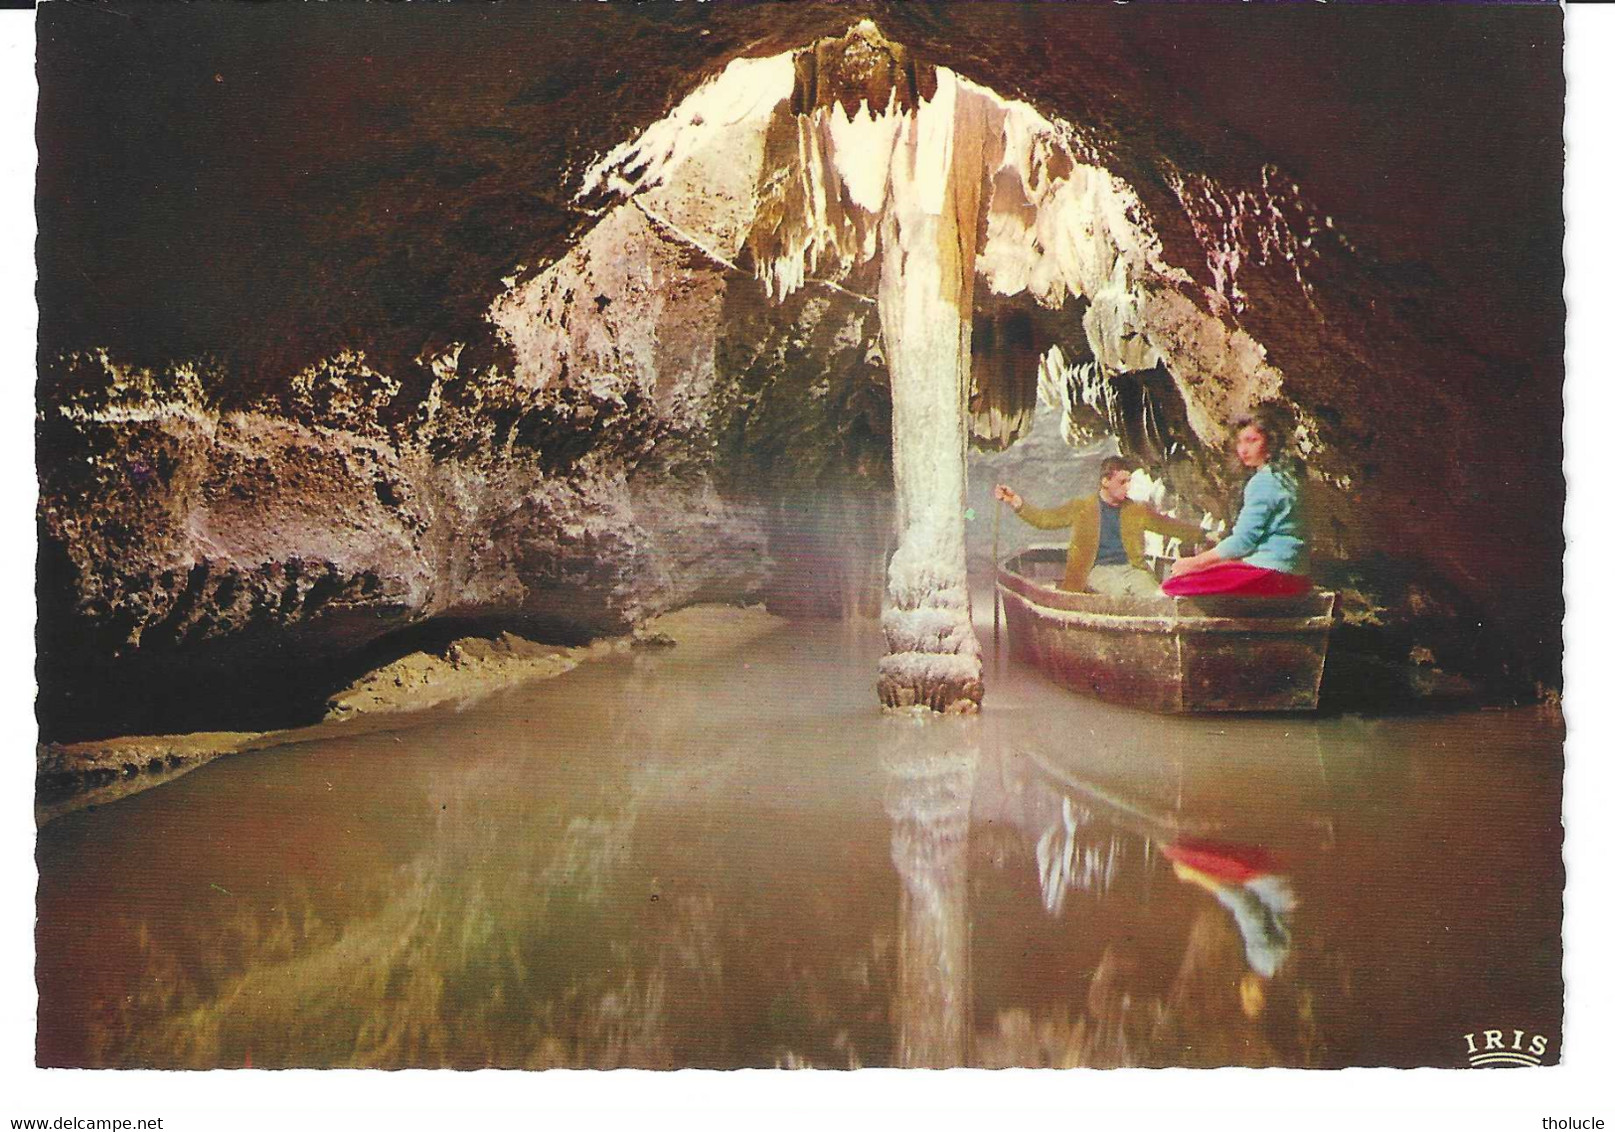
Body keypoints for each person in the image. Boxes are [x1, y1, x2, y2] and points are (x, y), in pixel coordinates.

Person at [994, 456, 1206, 598]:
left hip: (1133, 570)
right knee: (1118, 598)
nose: (1127, 487)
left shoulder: (1136, 510)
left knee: (1157, 598)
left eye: (1129, 481)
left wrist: (1205, 535)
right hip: (1097, 570)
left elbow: (1169, 526)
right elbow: (1044, 519)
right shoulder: (1081, 508)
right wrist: (1015, 501)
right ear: (1105, 481)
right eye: (1122, 482)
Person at [1163, 410, 1311, 597]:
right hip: (1296, 575)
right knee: (1215, 569)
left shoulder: (1263, 482)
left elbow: (1242, 542)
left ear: (1271, 444)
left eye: (1252, 440)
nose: (1243, 449)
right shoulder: (1288, 477)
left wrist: (1195, 562)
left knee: (1175, 584)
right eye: (1240, 442)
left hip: (1272, 574)